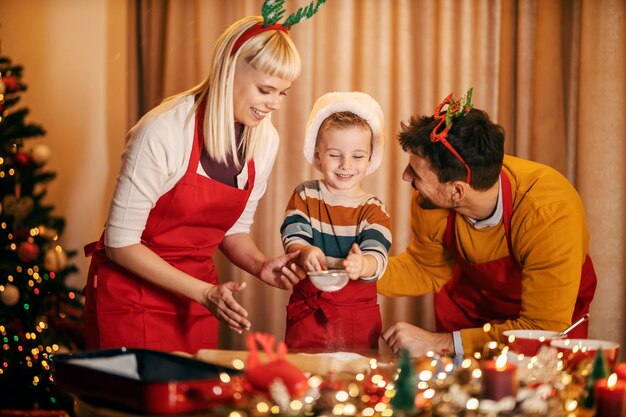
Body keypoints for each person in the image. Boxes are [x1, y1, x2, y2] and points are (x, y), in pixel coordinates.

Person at [83, 7, 326, 353]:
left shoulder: (264, 139)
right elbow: (120, 244)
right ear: (229, 69)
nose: (274, 104)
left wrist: (260, 265)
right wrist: (203, 292)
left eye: (282, 93)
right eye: (265, 89)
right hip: (131, 298)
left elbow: (234, 228)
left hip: (196, 302)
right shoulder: (163, 131)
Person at [378, 88, 597, 358]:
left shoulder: (549, 212)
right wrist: (355, 268)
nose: (405, 176)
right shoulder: (431, 199)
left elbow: (541, 328)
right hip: (467, 314)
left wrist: (440, 343)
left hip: (542, 329)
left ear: (457, 190)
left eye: (416, 172)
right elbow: (425, 268)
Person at [281, 92, 392, 350]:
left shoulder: (373, 208)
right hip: (308, 314)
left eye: (357, 155)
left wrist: (362, 264)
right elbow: (293, 235)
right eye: (334, 155)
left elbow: (378, 254)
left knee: (356, 380)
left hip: (356, 318)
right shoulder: (305, 195)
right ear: (317, 155)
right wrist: (304, 251)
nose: (345, 165)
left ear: (370, 157)